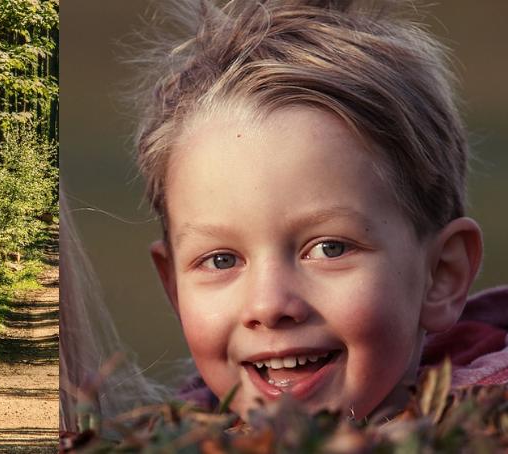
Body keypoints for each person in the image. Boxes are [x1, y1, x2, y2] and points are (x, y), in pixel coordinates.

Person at [61, 0, 508, 433]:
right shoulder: (178, 437)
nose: (270, 306)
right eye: (221, 260)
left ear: (442, 274)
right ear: (174, 287)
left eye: (328, 249)